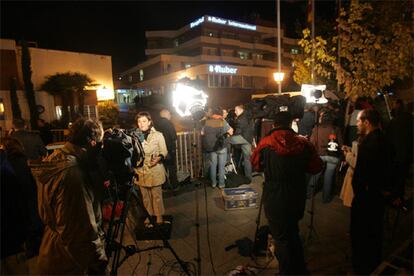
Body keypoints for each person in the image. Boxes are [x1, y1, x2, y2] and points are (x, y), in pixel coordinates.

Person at [30, 118, 108, 274]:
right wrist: (100, 262)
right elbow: (80, 232)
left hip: (52, 251)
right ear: (92, 143)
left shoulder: (57, 158)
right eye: (100, 143)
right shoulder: (73, 174)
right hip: (71, 262)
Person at [251, 112, 323, 275]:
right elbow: (316, 167)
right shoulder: (303, 143)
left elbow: (256, 165)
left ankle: (287, 272)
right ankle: (299, 270)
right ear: (291, 124)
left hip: (274, 195)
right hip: (296, 194)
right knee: (292, 232)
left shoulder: (265, 143)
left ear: (274, 124)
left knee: (281, 237)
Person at [351, 109, 392, 274]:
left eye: (359, 121)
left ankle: (362, 269)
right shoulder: (384, 139)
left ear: (367, 122)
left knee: (361, 236)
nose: (357, 124)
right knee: (374, 235)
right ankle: (373, 266)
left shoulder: (370, 143)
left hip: (366, 198)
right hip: (376, 197)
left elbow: (365, 173)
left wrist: (361, 189)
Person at [134, 112, 168, 225]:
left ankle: (158, 216)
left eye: (144, 121)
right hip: (141, 171)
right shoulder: (134, 136)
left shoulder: (158, 135)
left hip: (154, 170)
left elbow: (164, 151)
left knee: (157, 196)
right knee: (145, 197)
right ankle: (149, 215)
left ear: (149, 122)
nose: (141, 124)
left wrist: (159, 158)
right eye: (139, 121)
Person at [308, 111, 343, 203]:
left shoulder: (316, 128)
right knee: (329, 177)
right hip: (333, 155)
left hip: (320, 154)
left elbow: (312, 143)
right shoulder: (336, 128)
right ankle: (326, 198)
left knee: (316, 174)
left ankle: (309, 194)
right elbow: (340, 144)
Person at [201, 107, 233, 189]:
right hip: (221, 146)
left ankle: (213, 184)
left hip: (212, 147)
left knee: (213, 165)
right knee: (221, 166)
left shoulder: (207, 122)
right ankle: (221, 184)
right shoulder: (222, 121)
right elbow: (230, 131)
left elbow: (202, 133)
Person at [229, 104, 254, 181]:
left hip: (243, 137)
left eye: (236, 110)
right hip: (248, 139)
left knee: (226, 140)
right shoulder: (248, 116)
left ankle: (226, 162)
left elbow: (238, 131)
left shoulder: (241, 118)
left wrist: (230, 135)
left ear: (240, 110)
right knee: (247, 159)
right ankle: (249, 178)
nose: (235, 112)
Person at [155, 109, 178, 190]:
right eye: (169, 114)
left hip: (160, 150)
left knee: (162, 168)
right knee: (172, 168)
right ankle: (174, 185)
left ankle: (164, 185)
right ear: (165, 114)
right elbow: (173, 136)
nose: (170, 115)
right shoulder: (169, 123)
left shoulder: (156, 124)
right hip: (170, 149)